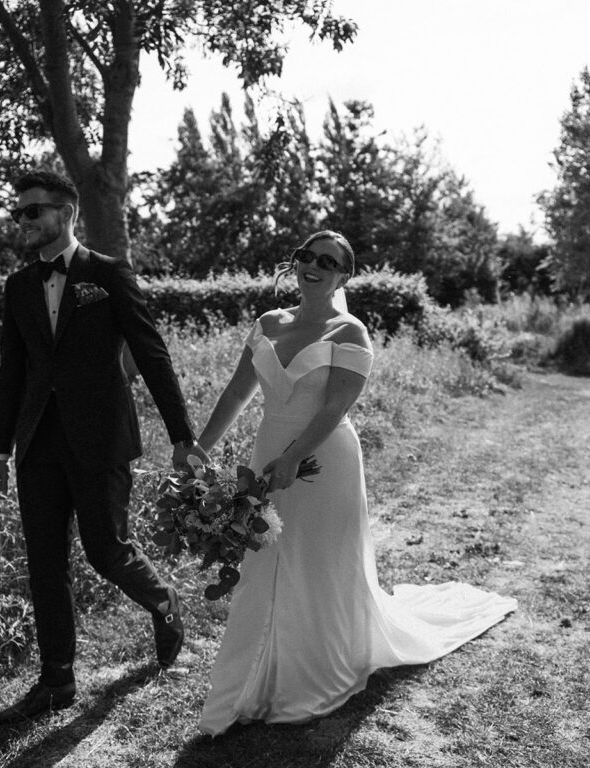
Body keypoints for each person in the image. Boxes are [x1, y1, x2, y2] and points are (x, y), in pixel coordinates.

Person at [192, 230, 517, 736]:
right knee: (265, 557)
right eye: (307, 256)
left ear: (343, 276)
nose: (313, 266)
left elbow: (334, 407)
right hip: (265, 452)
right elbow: (237, 392)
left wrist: (293, 458)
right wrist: (202, 446)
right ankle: (251, 677)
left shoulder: (350, 332)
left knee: (319, 559)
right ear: (295, 263)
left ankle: (315, 671)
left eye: (328, 262)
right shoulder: (266, 324)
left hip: (323, 457)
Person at [0, 169, 207, 723]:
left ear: (66, 213)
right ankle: (57, 682)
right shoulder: (17, 287)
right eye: (19, 213)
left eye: (32, 211)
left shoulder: (108, 275)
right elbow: (12, 372)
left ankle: (164, 600)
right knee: (44, 564)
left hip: (100, 437)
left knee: (106, 551)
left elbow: (151, 354)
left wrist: (182, 435)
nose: (23, 221)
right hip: (37, 442)